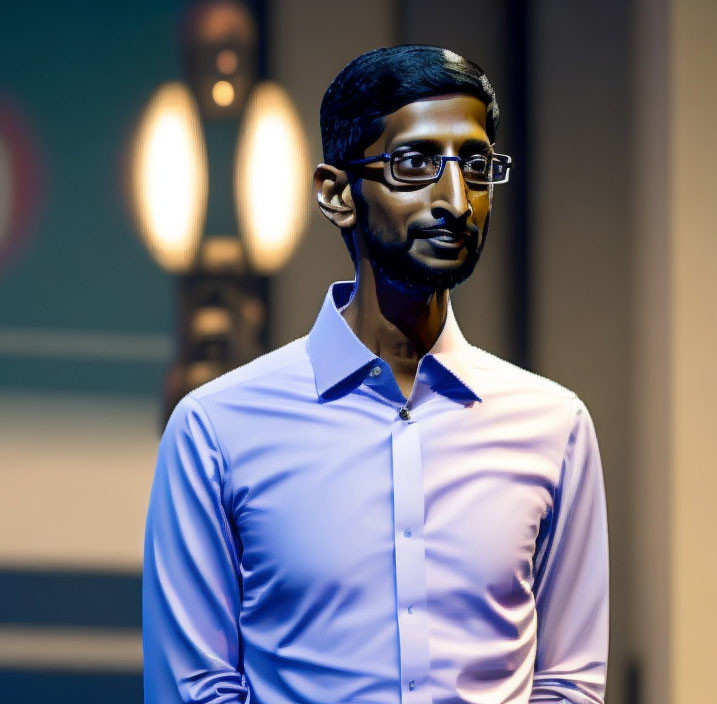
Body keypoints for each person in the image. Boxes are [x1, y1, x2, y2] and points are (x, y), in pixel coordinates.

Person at [143, 44, 609, 704]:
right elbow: (195, 689)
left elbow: (568, 682)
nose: (455, 198)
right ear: (337, 194)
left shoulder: (554, 426)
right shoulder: (218, 430)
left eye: (475, 166)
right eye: (415, 163)